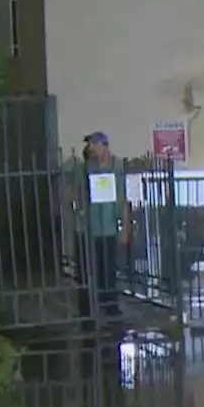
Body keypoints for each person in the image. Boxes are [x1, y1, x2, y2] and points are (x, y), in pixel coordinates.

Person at [77, 132, 131, 319]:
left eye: (94, 144)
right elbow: (75, 193)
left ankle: (110, 306)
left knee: (108, 269)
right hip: (89, 228)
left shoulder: (117, 167)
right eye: (90, 145)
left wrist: (125, 227)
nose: (91, 148)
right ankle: (88, 309)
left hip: (108, 227)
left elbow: (123, 198)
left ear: (105, 146)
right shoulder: (85, 168)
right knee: (88, 270)